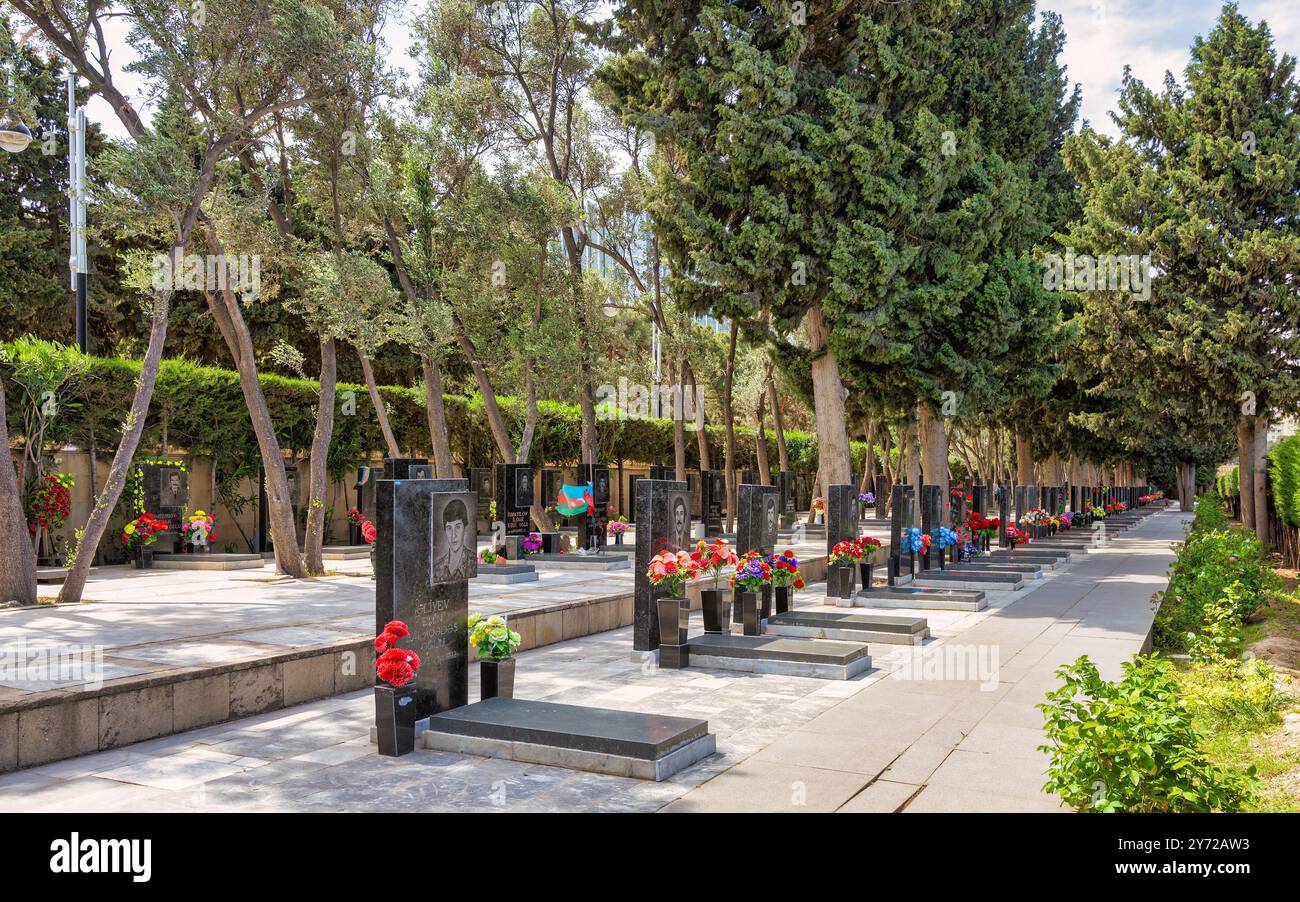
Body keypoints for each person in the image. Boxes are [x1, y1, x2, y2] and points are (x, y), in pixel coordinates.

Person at [433, 498, 474, 582]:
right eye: (449, 528)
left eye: (458, 527)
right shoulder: (437, 568)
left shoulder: (472, 563)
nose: (453, 535)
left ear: (465, 528)